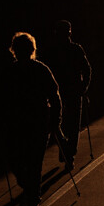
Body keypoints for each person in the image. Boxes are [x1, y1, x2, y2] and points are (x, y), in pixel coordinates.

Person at [1, 32, 67, 206]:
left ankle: (32, 201)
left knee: (30, 162)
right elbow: (1, 100)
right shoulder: (12, 72)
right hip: (21, 124)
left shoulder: (38, 69)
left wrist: (55, 121)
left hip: (35, 123)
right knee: (23, 162)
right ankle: (30, 190)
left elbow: (54, 96)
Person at [42, 20, 92, 170]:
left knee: (59, 124)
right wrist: (84, 87)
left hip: (60, 93)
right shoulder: (75, 49)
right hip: (69, 92)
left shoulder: (52, 51)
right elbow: (87, 69)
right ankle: (68, 152)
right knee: (72, 125)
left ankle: (66, 151)